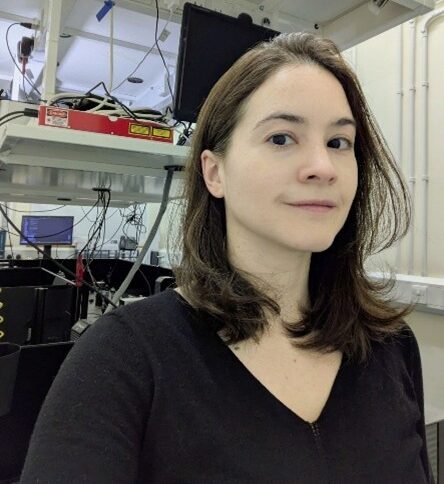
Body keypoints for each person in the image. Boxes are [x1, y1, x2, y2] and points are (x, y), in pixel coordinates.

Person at [20, 32, 434, 483]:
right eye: (281, 138)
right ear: (215, 172)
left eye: (339, 142)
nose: (323, 166)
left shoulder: (391, 347)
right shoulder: (122, 359)